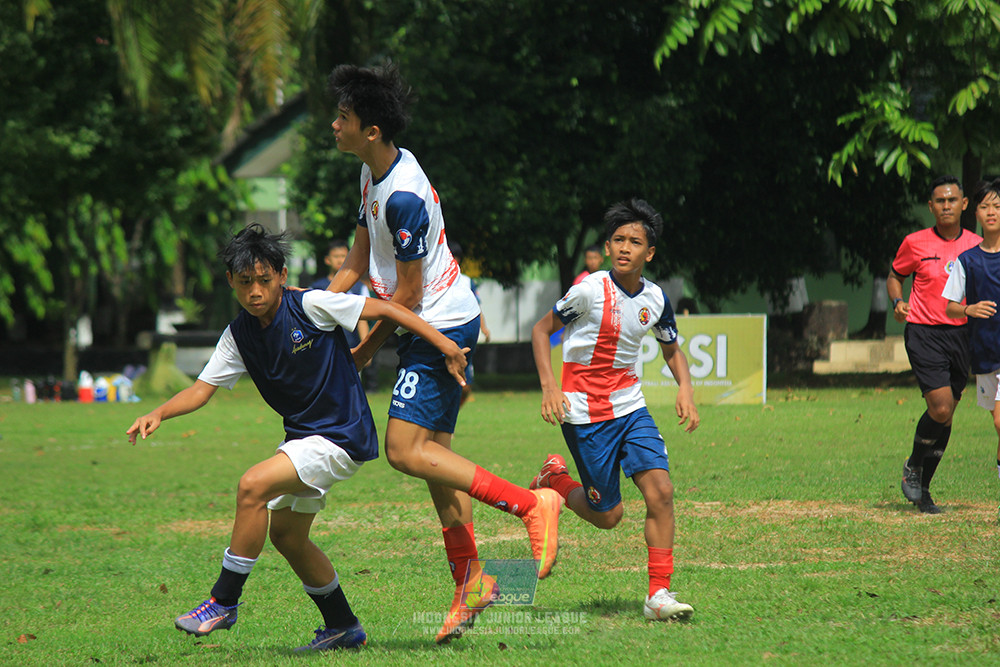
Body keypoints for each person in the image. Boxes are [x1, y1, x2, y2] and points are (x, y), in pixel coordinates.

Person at [125, 223, 471, 651]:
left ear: (282, 276)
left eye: (264, 280)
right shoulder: (238, 335)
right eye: (245, 282)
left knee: (252, 485)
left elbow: (389, 310)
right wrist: (158, 412)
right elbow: (201, 390)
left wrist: (443, 344)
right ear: (230, 281)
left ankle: (223, 601)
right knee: (287, 535)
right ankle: (343, 626)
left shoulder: (311, 304)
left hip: (342, 435)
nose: (255, 291)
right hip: (304, 440)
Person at [323, 62, 561, 644]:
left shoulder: (403, 196)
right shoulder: (371, 174)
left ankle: (531, 503)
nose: (334, 125)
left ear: (371, 130)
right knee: (436, 465)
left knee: (403, 450)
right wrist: (312, 310)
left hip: (440, 327)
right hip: (426, 322)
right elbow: (357, 261)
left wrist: (363, 351)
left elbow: (405, 295)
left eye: (343, 118)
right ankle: (473, 582)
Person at [530, 198, 700, 621]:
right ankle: (554, 479)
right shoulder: (588, 291)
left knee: (661, 491)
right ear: (607, 247)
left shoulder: (656, 299)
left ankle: (658, 595)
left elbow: (671, 348)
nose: (625, 247)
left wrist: (686, 388)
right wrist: (550, 386)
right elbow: (541, 330)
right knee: (609, 516)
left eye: (635, 242)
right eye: (618, 240)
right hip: (585, 415)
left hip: (631, 407)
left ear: (650, 252)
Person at [887, 174, 981, 514]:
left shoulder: (977, 245)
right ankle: (913, 463)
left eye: (952, 200)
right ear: (930, 206)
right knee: (940, 408)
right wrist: (898, 302)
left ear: (964, 204)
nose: (946, 206)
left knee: (947, 415)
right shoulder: (915, 243)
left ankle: (923, 491)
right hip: (924, 332)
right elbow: (895, 275)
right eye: (940, 201)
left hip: (962, 335)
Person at [941, 177, 1000, 520]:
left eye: (997, 206)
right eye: (985, 206)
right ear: (975, 213)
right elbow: (950, 307)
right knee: (997, 423)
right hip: (985, 354)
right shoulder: (968, 260)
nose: (991, 212)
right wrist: (970, 309)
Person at [448, 241, 491, 408]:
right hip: (445, 333)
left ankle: (452, 413)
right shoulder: (435, 280)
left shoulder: (466, 281)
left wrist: (484, 328)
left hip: (464, 336)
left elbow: (476, 307)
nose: (453, 259)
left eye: (456, 256)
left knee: (466, 386)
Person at [310, 239, 371, 349]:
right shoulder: (316, 288)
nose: (340, 260)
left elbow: (362, 320)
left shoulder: (359, 287)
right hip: (325, 347)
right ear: (327, 260)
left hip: (351, 347)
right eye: (336, 256)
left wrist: (365, 348)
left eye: (343, 256)